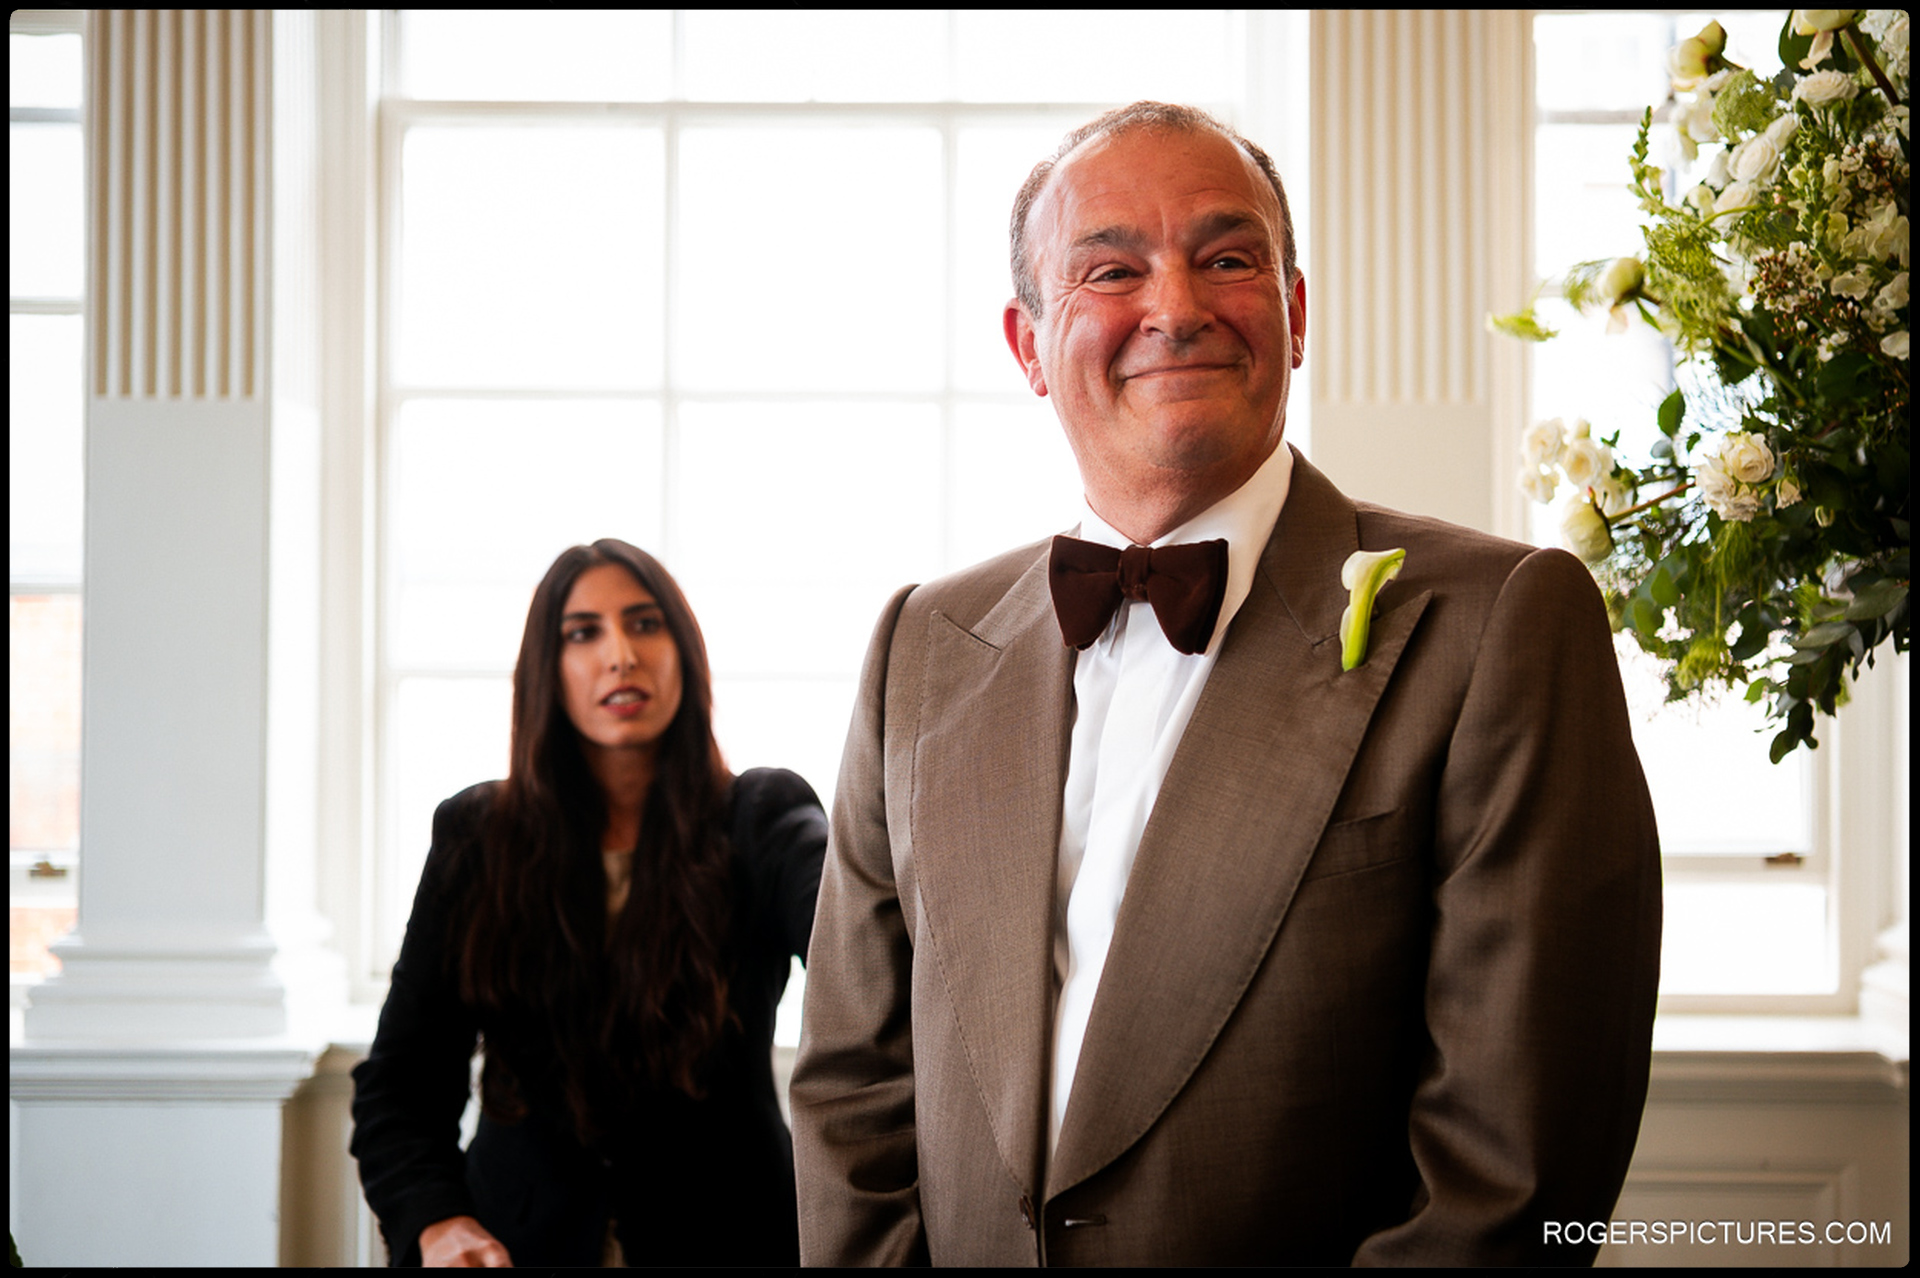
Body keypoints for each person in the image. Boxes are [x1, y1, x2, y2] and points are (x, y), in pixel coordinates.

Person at [790, 103, 1661, 1266]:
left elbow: (1514, 1177)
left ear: (1295, 315)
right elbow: (853, 1091)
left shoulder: (1498, 626)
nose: (1178, 307)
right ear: (1027, 346)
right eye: (1111, 270)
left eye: (1228, 258)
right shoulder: (922, 644)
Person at [351, 539, 825, 1267]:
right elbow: (401, 1084)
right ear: (549, 666)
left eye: (645, 624)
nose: (620, 655)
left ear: (684, 651)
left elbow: (858, 944)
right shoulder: (477, 837)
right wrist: (437, 1220)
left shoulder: (761, 816)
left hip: (730, 1239)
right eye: (584, 632)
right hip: (517, 1243)